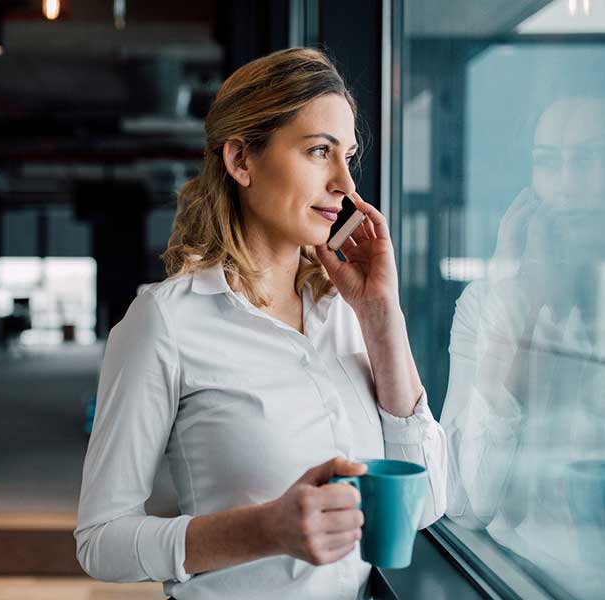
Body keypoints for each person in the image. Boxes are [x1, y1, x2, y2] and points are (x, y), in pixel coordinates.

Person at [74, 48, 447, 600]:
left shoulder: (348, 312)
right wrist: (265, 529)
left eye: (350, 154)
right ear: (241, 161)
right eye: (319, 151)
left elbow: (428, 502)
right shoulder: (166, 322)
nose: (345, 182)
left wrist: (381, 316)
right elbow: (100, 541)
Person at [441, 95, 605, 599]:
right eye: (548, 161)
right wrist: (508, 316)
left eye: (588, 157)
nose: (567, 183)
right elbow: (467, 506)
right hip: (506, 577)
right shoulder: (486, 303)